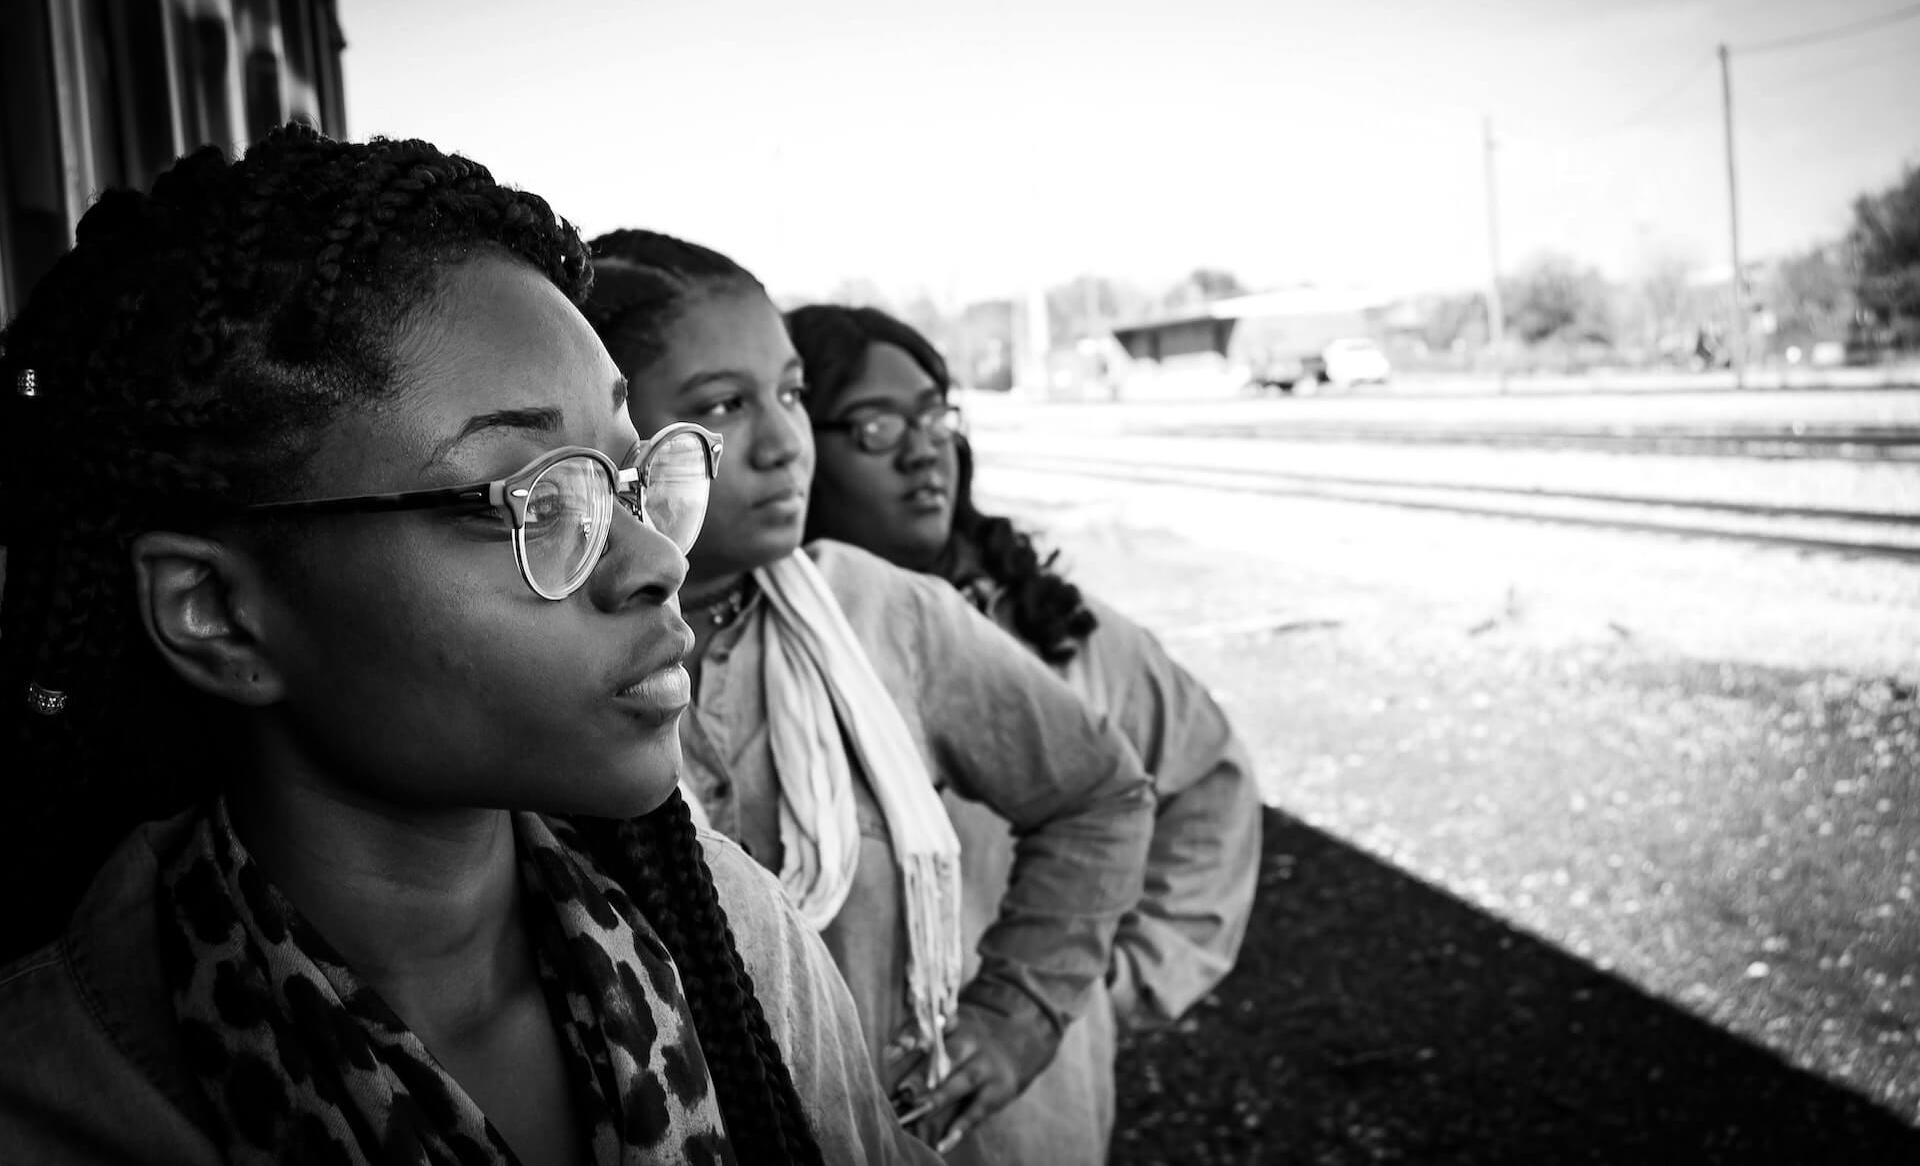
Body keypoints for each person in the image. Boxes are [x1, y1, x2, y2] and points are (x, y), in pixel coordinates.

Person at [0, 127, 942, 1166]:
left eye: (625, 479)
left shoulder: (734, 943)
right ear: (216, 610)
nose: (653, 563)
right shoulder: (58, 1100)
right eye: (533, 500)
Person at [580, 230, 1156, 1162]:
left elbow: (1102, 794)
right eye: (725, 404)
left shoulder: (880, 611)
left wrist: (1014, 1016)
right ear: (611, 429)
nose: (782, 442)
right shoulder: (549, 656)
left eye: (795, 394)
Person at [787, 304, 1263, 1162]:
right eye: (876, 423)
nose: (923, 445)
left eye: (935, 413)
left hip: (1030, 1126)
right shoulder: (755, 659)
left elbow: (1207, 782)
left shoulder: (1059, 636)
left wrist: (1109, 982)